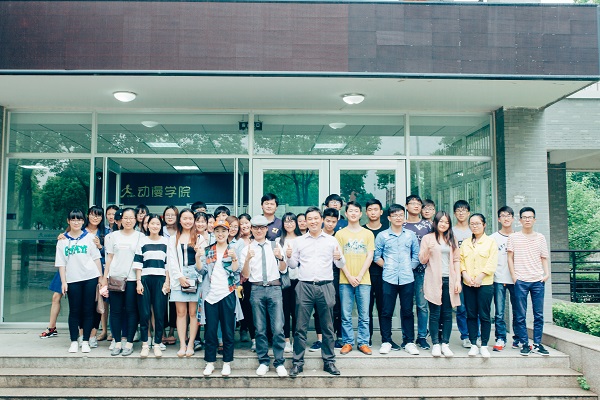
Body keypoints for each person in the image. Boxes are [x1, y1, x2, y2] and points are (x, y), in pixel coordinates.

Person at [287, 206, 346, 377]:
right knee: (300, 327)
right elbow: (293, 265)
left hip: (325, 285)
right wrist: (288, 256)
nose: (313, 222)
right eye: (309, 219)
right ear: (305, 222)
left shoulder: (331, 240)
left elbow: (340, 264)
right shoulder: (299, 241)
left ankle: (329, 361)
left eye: (315, 218)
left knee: (328, 326)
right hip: (304, 286)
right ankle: (297, 363)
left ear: (321, 220)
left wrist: (339, 258)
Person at [240, 215, 288, 377]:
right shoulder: (246, 249)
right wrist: (247, 260)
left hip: (274, 288)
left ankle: (279, 362)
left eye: (262, 227)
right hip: (257, 289)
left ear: (266, 229)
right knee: (259, 328)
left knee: (278, 328)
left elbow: (283, 269)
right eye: (256, 227)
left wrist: (280, 257)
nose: (259, 230)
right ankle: (263, 361)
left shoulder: (275, 245)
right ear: (251, 230)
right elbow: (245, 275)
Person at [374, 204, 420, 356]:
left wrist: (409, 267)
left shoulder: (410, 235)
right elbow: (376, 256)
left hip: (407, 278)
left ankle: (409, 341)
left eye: (400, 215)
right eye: (395, 215)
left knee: (407, 311)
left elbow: (416, 254)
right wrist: (387, 266)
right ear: (389, 218)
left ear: (404, 217)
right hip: (389, 278)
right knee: (386, 311)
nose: (398, 218)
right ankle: (386, 341)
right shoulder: (382, 236)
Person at [55, 209, 104, 353]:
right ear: (68, 221)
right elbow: (61, 263)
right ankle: (73, 341)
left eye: (79, 220)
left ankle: (86, 341)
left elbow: (96, 259)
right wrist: (64, 282)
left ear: (83, 221)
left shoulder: (90, 238)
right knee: (74, 311)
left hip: (90, 278)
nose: (76, 222)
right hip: (72, 279)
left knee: (88, 310)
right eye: (73, 220)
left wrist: (100, 278)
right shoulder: (62, 241)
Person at [199, 219, 241, 377]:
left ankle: (227, 363)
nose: (220, 234)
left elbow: (236, 271)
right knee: (210, 331)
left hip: (227, 293)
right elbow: (201, 270)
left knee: (228, 331)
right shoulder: (208, 250)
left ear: (228, 232)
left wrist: (234, 258)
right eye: (217, 231)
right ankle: (210, 362)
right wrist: (197, 257)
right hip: (211, 296)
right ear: (213, 232)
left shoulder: (232, 250)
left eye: (223, 231)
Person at [507, 207, 550, 357]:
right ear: (520, 220)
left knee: (539, 314)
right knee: (520, 314)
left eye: (530, 217)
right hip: (521, 281)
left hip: (538, 280)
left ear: (534, 220)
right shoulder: (513, 237)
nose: (527, 220)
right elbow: (509, 258)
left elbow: (544, 257)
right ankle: (525, 344)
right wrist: (514, 277)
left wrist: (547, 274)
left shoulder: (540, 237)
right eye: (524, 217)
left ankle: (537, 344)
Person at [420, 211, 461, 357]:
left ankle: (445, 344)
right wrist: (428, 249)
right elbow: (422, 260)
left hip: (449, 280)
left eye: (446, 222)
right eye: (441, 221)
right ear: (435, 223)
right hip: (433, 280)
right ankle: (436, 344)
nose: (443, 224)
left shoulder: (452, 238)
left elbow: (456, 260)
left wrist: (458, 280)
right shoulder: (428, 238)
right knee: (435, 314)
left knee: (448, 314)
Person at [104, 207, 144, 356]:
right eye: (125, 218)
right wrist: (105, 277)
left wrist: (139, 280)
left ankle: (129, 342)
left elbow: (141, 260)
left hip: (132, 279)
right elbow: (109, 257)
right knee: (115, 311)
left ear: (135, 220)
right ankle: (117, 342)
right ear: (120, 219)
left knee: (131, 311)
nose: (128, 221)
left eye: (131, 218)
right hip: (115, 278)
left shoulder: (141, 237)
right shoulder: (112, 236)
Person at [336, 201, 374, 355]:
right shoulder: (340, 234)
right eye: (350, 211)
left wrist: (358, 276)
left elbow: (370, 256)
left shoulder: (368, 234)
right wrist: (349, 276)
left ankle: (363, 342)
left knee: (364, 315)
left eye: (356, 211)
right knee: (345, 314)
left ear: (360, 214)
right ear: (346, 214)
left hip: (363, 279)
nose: (353, 213)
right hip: (345, 279)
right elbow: (338, 257)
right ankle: (348, 342)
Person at [460, 213, 498, 358]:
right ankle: (473, 344)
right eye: (472, 224)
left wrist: (480, 277)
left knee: (484, 315)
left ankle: (484, 345)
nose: (474, 226)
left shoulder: (490, 242)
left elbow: (492, 262)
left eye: (477, 223)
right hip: (468, 283)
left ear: (484, 225)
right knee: (470, 314)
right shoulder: (465, 243)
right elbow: (460, 260)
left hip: (485, 283)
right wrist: (465, 275)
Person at [134, 213, 170, 358]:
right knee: (144, 313)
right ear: (147, 225)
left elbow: (168, 264)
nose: (155, 226)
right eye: (152, 223)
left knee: (159, 313)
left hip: (161, 279)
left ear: (161, 226)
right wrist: (138, 282)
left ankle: (157, 344)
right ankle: (145, 344)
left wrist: (167, 282)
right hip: (145, 279)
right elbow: (138, 263)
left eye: (157, 224)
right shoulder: (142, 241)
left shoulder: (166, 242)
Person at [166, 208, 200, 357]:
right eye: (185, 218)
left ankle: (191, 343)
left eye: (190, 218)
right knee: (180, 313)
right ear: (179, 220)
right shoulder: (173, 238)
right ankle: (182, 344)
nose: (188, 221)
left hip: (195, 277)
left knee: (193, 313)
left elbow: (202, 260)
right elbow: (171, 260)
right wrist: (179, 276)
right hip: (178, 276)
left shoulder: (200, 237)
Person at [310, 207, 342, 351]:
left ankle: (333, 338)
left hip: (336, 274)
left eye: (333, 222)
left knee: (334, 306)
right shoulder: (316, 236)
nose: (330, 224)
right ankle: (320, 339)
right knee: (319, 308)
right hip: (318, 275)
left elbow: (342, 259)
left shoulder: (338, 237)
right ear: (323, 220)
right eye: (328, 221)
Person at [403, 195, 433, 350]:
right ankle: (407, 337)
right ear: (406, 206)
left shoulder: (428, 225)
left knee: (422, 305)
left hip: (423, 271)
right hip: (404, 271)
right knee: (406, 306)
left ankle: (422, 336)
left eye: (418, 204)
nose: (415, 206)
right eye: (412, 203)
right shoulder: (401, 224)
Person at [490, 206, 518, 352]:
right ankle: (500, 338)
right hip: (498, 278)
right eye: (503, 215)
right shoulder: (493, 238)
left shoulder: (519, 237)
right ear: (499, 219)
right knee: (499, 312)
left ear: (513, 218)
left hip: (516, 279)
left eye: (508, 215)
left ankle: (518, 338)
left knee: (518, 311)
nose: (506, 218)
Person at [363, 198, 387, 346]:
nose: (373, 212)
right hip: (365, 275)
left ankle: (386, 339)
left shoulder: (387, 230)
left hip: (384, 275)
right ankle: (367, 339)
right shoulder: (361, 230)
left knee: (384, 308)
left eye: (376, 209)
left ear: (381, 212)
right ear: (366, 212)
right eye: (370, 210)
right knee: (366, 309)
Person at [277, 212, 301, 353]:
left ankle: (297, 339)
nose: (289, 224)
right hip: (284, 281)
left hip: (300, 280)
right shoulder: (279, 241)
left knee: (298, 312)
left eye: (292, 221)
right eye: (286, 221)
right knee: (285, 311)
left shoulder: (302, 239)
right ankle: (286, 340)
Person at [452, 200, 472, 348]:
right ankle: (465, 336)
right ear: (454, 214)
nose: (461, 213)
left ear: (468, 213)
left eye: (464, 210)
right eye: (458, 210)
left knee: (474, 307)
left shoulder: (474, 230)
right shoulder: (451, 231)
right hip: (456, 273)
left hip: (473, 273)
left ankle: (476, 335)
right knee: (461, 307)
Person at [237, 213, 255, 346]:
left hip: (254, 278)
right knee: (243, 305)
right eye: (241, 224)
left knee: (252, 305)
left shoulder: (256, 239)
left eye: (246, 223)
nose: (244, 226)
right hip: (239, 279)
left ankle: (254, 333)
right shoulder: (236, 240)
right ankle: (243, 328)